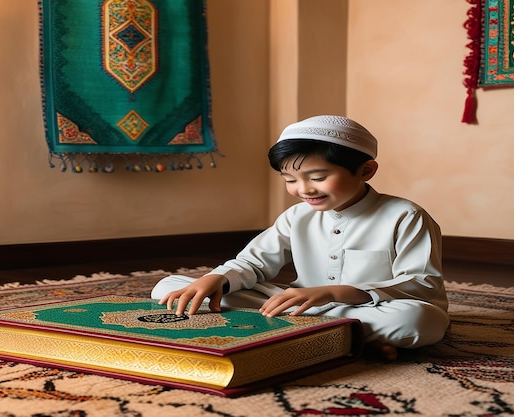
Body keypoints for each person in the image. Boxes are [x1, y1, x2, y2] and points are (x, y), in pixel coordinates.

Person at [151, 115, 450, 361]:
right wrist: (217, 279)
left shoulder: (406, 216)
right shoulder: (297, 216)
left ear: (366, 170)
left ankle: (297, 333)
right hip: (296, 305)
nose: (304, 189)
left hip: (370, 309)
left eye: (318, 177)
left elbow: (421, 284)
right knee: (171, 287)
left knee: (421, 321)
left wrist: (335, 293)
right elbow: (253, 263)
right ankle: (344, 339)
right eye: (290, 179)